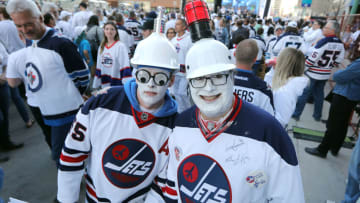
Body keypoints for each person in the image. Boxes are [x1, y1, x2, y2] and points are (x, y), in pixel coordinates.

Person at [148, 2, 305, 202]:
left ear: (232, 76)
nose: (209, 88)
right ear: (189, 84)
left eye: (218, 77)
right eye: (199, 79)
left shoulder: (270, 133)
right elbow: (171, 188)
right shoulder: (180, 125)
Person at [57, 29, 179, 203]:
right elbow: (72, 154)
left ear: (171, 80)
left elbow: (163, 183)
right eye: (144, 76)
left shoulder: (176, 128)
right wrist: (66, 200)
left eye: (160, 78)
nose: (151, 84)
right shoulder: (101, 103)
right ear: (135, 73)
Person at [6, 0, 89, 167]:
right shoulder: (31, 40)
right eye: (19, 26)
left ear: (40, 18)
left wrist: (73, 95)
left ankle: (71, 191)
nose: (24, 30)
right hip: (48, 110)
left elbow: (82, 77)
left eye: (28, 24)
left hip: (66, 112)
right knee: (64, 153)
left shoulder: (61, 43)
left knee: (62, 156)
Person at [304, 35, 360, 158]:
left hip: (345, 95)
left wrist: (339, 73)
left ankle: (322, 149)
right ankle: (335, 147)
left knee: (333, 123)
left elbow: (339, 76)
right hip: (352, 95)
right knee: (342, 123)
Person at [292, 21, 345, 122]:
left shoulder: (324, 41)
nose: (323, 29)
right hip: (325, 74)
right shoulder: (340, 43)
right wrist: (327, 66)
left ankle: (296, 114)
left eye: (326, 27)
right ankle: (317, 115)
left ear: (332, 30)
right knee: (319, 95)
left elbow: (312, 58)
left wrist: (302, 69)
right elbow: (338, 60)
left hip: (312, 73)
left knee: (305, 94)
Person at [269, 48, 309, 127]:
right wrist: (273, 71)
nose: (276, 59)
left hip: (272, 129)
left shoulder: (285, 91)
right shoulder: (286, 82)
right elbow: (267, 85)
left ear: (283, 63)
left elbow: (281, 120)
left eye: (279, 58)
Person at [233, 39, 275, 116]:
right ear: (255, 59)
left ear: (234, 54)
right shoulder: (263, 89)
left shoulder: (220, 81)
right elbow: (270, 119)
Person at [93, 22, 132, 89]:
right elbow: (99, 65)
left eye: (112, 29)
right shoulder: (101, 47)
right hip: (105, 81)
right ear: (104, 31)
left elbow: (125, 65)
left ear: (116, 31)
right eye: (107, 29)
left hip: (117, 81)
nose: (109, 31)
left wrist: (126, 82)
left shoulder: (120, 46)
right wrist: (97, 81)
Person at [0, 39, 23, 152]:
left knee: (5, 115)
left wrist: (4, 73)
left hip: (2, 84)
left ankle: (6, 142)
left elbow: (6, 60)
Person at [171, 18, 193, 113]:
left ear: (184, 26)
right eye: (175, 24)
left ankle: (189, 111)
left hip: (185, 72)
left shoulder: (189, 39)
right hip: (175, 72)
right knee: (176, 93)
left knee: (183, 93)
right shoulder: (173, 40)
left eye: (178, 24)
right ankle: (180, 112)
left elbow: (191, 55)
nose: (176, 26)